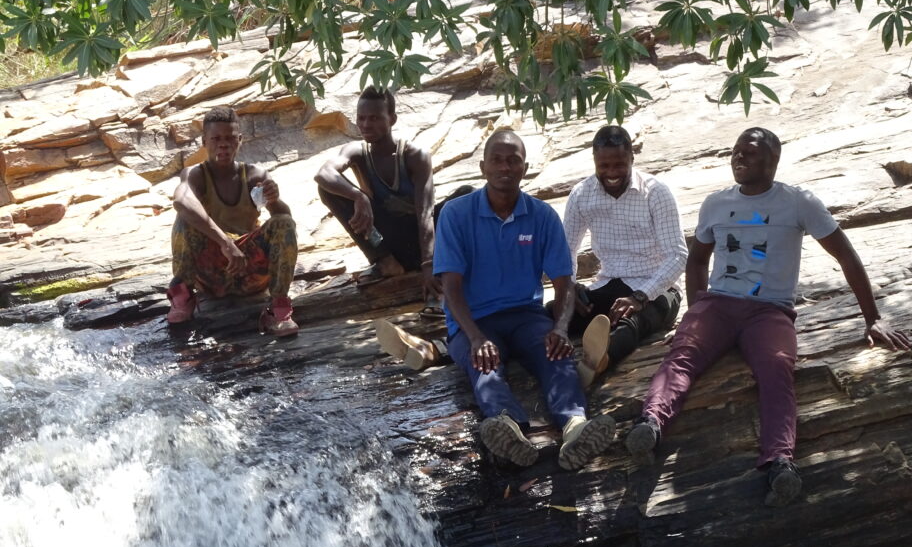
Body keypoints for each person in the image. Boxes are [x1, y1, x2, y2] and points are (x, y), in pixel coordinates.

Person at [628, 127, 912, 505]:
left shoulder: (798, 202)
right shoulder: (716, 203)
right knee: (682, 355)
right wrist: (695, 313)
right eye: (735, 151)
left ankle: (779, 461)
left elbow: (845, 255)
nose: (739, 157)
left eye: (749, 152)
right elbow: (697, 261)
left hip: (770, 311)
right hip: (718, 305)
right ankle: (650, 423)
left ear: (772, 161)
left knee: (777, 367)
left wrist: (872, 317)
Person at [431, 129, 616, 471]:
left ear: (525, 168)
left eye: (513, 160)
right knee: (484, 365)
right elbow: (451, 286)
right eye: (497, 160)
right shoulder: (455, 214)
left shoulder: (542, 216)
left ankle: (575, 428)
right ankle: (510, 428)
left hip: (525, 315)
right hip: (473, 320)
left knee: (556, 353)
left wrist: (560, 328)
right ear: (483, 166)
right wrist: (475, 337)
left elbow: (564, 283)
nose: (505, 167)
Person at [562, 125, 688, 387]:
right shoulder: (581, 195)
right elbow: (566, 249)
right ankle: (555, 363)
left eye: (619, 164)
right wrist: (571, 287)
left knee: (632, 323)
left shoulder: (656, 193)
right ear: (594, 161)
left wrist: (640, 297)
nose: (611, 172)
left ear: (631, 157)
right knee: (555, 313)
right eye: (604, 165)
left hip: (657, 288)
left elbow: (677, 255)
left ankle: (599, 361)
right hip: (610, 283)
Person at [314, 86, 449, 314]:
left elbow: (425, 214)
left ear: (392, 119)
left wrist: (429, 264)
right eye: (361, 118)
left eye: (375, 118)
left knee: (464, 196)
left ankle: (443, 279)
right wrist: (358, 196)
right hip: (389, 243)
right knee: (328, 189)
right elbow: (323, 173)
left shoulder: (415, 155)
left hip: (425, 241)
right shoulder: (357, 152)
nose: (366, 125)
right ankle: (385, 262)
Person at [167, 106, 299, 336]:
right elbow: (180, 200)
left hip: (249, 271)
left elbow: (284, 219)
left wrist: (274, 200)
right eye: (216, 139)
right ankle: (183, 296)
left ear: (240, 140)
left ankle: (277, 309)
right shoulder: (195, 175)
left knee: (284, 222)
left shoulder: (256, 175)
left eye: (230, 138)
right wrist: (225, 243)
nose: (223, 145)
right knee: (184, 217)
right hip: (211, 275)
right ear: (204, 142)